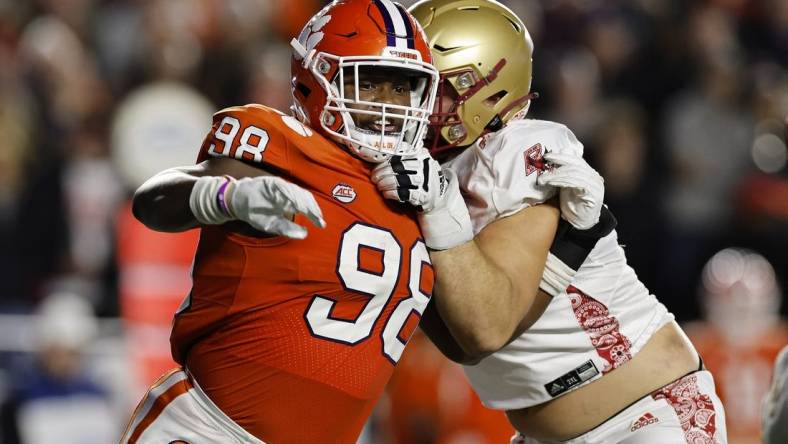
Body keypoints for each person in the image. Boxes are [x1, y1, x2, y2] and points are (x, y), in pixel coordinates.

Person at [371, 1, 728, 443]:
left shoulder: (517, 151)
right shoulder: (420, 169)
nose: (409, 103)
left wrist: (437, 213)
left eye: (428, 86)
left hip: (646, 416)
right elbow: (459, 341)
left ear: (488, 89)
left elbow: (484, 327)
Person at [120, 1, 442, 442]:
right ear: (316, 80)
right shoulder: (281, 144)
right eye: (368, 82)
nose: (389, 103)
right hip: (211, 430)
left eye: (403, 86)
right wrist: (228, 196)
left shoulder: (421, 190)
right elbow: (153, 201)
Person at [686, 248, 788, 444]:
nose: (741, 317)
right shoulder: (698, 347)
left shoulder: (692, 347)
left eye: (746, 311)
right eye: (732, 310)